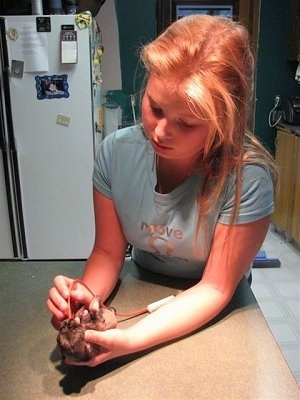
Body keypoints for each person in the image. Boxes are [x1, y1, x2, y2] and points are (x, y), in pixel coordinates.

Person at [47, 15, 277, 367]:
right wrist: (86, 298)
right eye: (155, 108)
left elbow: (215, 288)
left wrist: (130, 340)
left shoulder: (248, 178)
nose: (160, 132)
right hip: (142, 283)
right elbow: (109, 253)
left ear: (223, 124)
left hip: (216, 309)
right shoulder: (115, 153)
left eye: (186, 123)